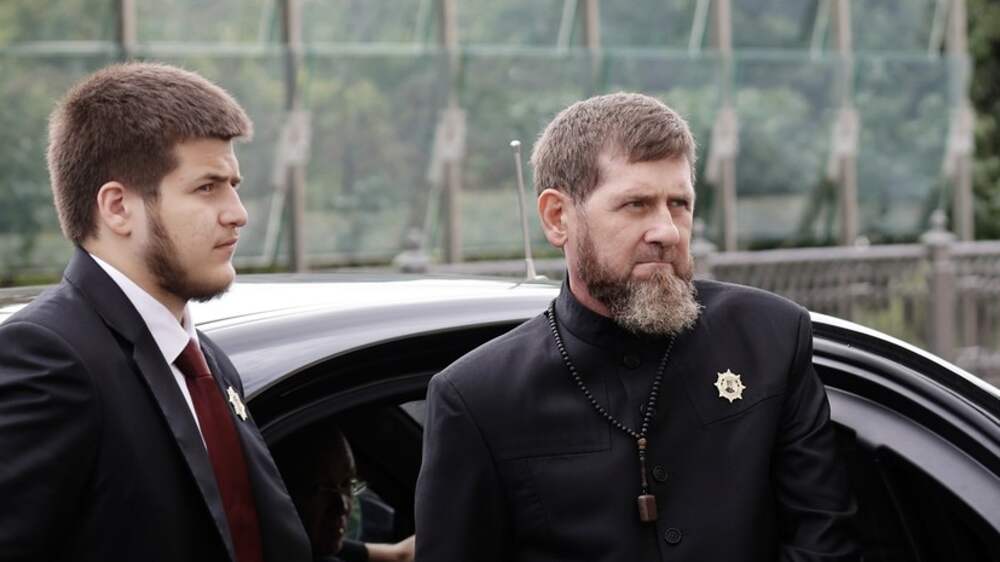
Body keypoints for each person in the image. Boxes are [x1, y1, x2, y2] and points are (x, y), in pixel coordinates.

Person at [414, 92, 859, 561]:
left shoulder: (768, 338)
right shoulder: (478, 398)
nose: (667, 230)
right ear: (558, 217)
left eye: (679, 204)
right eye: (636, 204)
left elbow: (825, 545)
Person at [0, 63, 311, 562]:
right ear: (117, 207)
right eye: (207, 187)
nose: (238, 212)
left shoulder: (204, 360)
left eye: (233, 184)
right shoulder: (48, 357)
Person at [273, 421, 416, 562]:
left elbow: (400, 555)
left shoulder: (304, 545)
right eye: (323, 489)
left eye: (346, 483)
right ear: (285, 492)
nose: (342, 506)